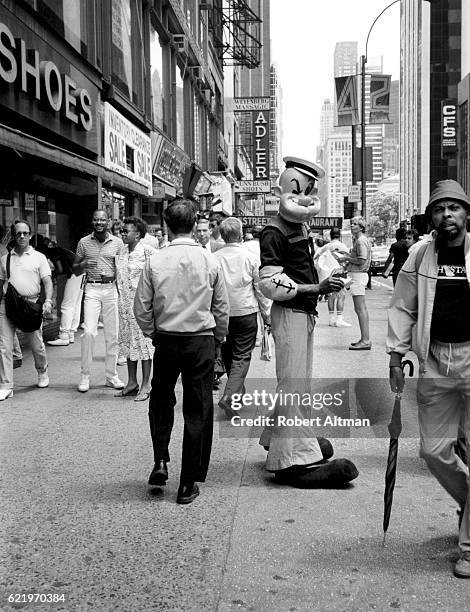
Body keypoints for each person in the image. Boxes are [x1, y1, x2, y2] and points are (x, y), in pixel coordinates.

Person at [257, 156, 358, 487]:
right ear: (286, 190)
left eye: (311, 189)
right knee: (293, 387)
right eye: (302, 188)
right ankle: (293, 462)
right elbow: (269, 282)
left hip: (302, 313)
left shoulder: (296, 226)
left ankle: (280, 441)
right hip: (291, 314)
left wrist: (325, 277)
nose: (307, 196)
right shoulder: (274, 231)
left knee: (296, 384)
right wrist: (318, 286)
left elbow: (300, 268)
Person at [387, 179, 470, 579]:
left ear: (466, 213)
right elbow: (403, 307)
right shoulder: (420, 255)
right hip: (436, 359)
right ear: (431, 217)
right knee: (434, 451)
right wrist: (394, 352)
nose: (447, 215)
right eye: (440, 209)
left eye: (454, 207)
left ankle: (469, 547)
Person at [134, 199, 229, 505]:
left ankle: (160, 460)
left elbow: (141, 308)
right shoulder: (209, 260)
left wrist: (153, 332)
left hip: (166, 339)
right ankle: (187, 482)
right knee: (198, 407)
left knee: (161, 400)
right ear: (194, 224)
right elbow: (221, 308)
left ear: (167, 224)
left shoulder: (155, 261)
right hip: (199, 340)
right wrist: (219, 337)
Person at [214, 217, 271, 418]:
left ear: (222, 235)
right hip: (246, 313)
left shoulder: (214, 257)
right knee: (242, 356)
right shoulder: (250, 258)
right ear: (240, 235)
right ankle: (231, 396)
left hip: (221, 315)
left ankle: (235, 393)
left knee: (229, 354)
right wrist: (266, 313)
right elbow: (260, 288)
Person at [0, 220, 53, 400]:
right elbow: (1, 285)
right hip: (8, 305)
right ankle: (6, 385)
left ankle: (42, 370)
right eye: (18, 233)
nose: (21, 236)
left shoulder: (39, 257)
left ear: (30, 235)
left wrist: (48, 301)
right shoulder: (4, 259)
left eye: (25, 233)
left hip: (31, 306)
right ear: (14, 236)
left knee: (37, 345)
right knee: (4, 347)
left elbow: (47, 282)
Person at [73, 209, 125, 393]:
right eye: (96, 220)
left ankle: (111, 375)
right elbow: (75, 269)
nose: (99, 223)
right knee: (88, 332)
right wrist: (83, 265)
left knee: (113, 334)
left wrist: (112, 275)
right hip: (92, 289)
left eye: (102, 219)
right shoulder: (84, 242)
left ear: (108, 221)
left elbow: (123, 269)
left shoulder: (118, 243)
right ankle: (85, 376)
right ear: (92, 222)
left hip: (111, 289)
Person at [115, 217, 157, 401]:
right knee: (129, 344)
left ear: (138, 234)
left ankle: (146, 384)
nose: (123, 233)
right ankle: (132, 382)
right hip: (124, 306)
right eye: (122, 231)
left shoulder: (149, 252)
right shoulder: (121, 252)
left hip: (142, 307)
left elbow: (157, 278)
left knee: (144, 346)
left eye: (126, 231)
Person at [334, 216, 372, 350]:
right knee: (360, 309)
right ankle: (364, 339)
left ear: (361, 227)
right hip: (358, 275)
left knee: (360, 309)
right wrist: (348, 257)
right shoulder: (361, 240)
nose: (352, 226)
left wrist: (346, 257)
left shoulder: (361, 241)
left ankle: (366, 340)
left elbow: (362, 259)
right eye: (351, 223)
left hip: (358, 276)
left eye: (355, 224)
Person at [46, 242, 84, 347]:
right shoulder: (63, 250)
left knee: (67, 305)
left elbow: (60, 269)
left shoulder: (53, 253)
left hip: (74, 275)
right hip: (81, 274)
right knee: (76, 304)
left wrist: (51, 275)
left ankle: (64, 336)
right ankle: (71, 333)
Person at [314, 227, 351, 327]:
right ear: (339, 235)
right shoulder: (343, 246)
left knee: (331, 295)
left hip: (329, 274)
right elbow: (347, 260)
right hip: (340, 272)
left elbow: (316, 257)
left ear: (330, 235)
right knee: (341, 295)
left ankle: (331, 319)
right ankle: (339, 318)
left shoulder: (326, 246)